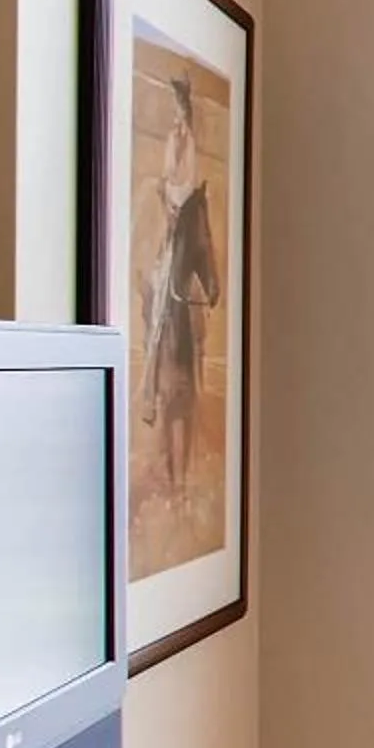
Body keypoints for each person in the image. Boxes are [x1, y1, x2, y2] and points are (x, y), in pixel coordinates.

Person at [141, 72, 222, 504]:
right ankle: (152, 379)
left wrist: (170, 195)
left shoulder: (187, 142)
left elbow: (185, 184)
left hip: (185, 219)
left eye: (179, 106)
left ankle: (193, 354)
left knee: (175, 277)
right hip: (172, 219)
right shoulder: (173, 140)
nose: (176, 114)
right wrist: (162, 191)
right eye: (175, 106)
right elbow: (166, 177)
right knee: (154, 284)